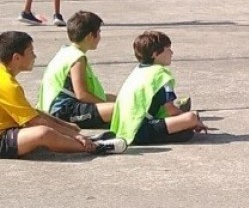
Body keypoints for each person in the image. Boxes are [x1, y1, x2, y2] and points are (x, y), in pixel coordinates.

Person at [0, 31, 126, 159]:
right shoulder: (7, 84)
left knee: (54, 129)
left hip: (10, 128)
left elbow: (32, 112)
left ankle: (82, 140)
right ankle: (95, 146)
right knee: (44, 133)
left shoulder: (4, 75)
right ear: (16, 57)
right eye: (31, 52)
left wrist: (66, 126)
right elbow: (33, 121)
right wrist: (73, 135)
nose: (35, 56)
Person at [110, 31, 208, 145]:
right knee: (191, 117)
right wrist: (195, 121)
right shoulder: (161, 75)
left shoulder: (139, 70)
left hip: (124, 128)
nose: (172, 52)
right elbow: (171, 110)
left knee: (186, 125)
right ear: (155, 54)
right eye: (168, 49)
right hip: (140, 130)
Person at [37, 11, 115, 129]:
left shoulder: (66, 51)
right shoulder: (77, 58)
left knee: (120, 98)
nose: (100, 36)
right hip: (63, 112)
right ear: (90, 36)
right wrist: (105, 105)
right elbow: (82, 95)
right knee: (119, 109)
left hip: (57, 108)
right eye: (98, 32)